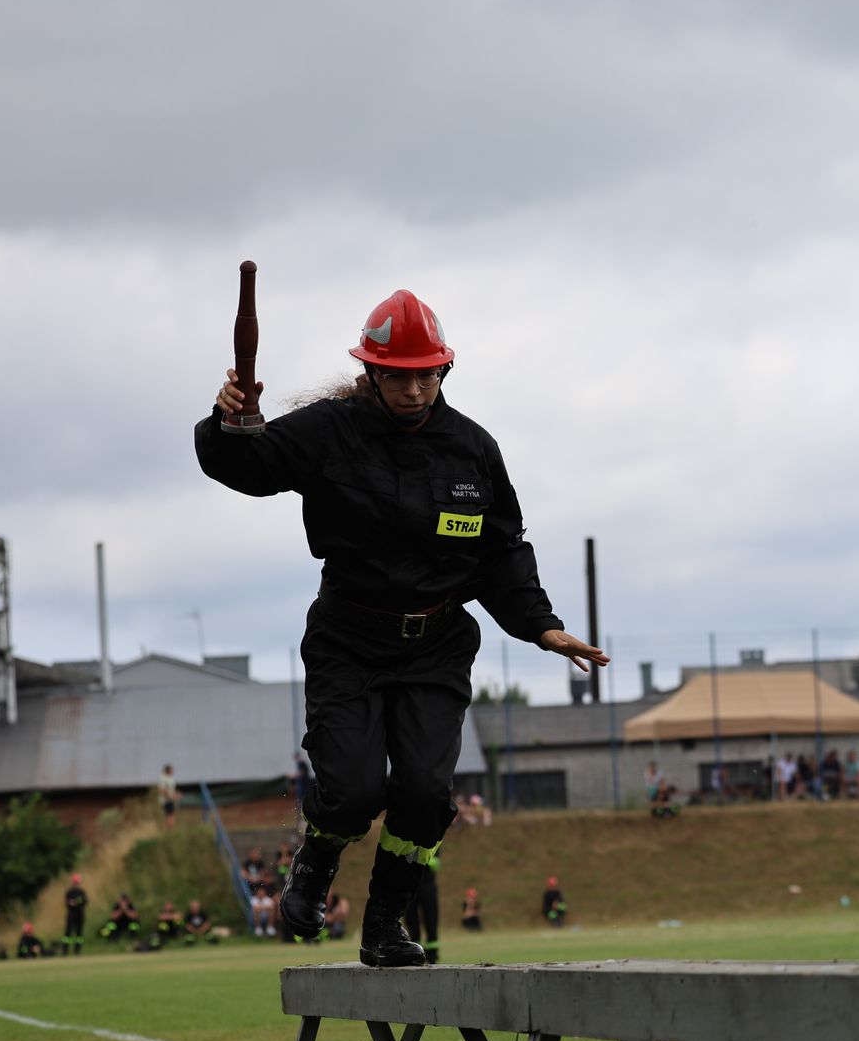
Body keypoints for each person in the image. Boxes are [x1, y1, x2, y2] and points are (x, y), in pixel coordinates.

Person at [201, 288, 605, 969]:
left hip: (436, 647)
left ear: (444, 369)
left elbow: (502, 551)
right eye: (398, 376)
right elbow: (245, 465)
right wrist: (228, 422)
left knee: (423, 794)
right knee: (353, 792)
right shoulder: (328, 432)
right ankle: (316, 863)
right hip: (349, 642)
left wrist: (542, 625)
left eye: (427, 375)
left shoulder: (473, 451)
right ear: (371, 371)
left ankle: (385, 924)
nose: (414, 390)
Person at [405, 861, 441, 964]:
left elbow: (436, 863)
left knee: (431, 920)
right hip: (410, 884)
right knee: (411, 920)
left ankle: (432, 955)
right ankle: (414, 952)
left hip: (427, 884)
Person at [62, 873, 89, 956]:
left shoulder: (82, 892)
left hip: (80, 914)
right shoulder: (69, 892)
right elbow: (67, 902)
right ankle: (65, 951)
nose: (76, 884)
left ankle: (77, 951)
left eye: (77, 882)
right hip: (71, 914)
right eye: (75, 882)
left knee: (79, 934)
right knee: (68, 933)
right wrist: (74, 902)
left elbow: (85, 901)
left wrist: (75, 902)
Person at [158, 763, 181, 828]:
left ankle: (170, 829)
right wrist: (170, 797)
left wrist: (176, 795)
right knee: (170, 815)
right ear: (167, 770)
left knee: (172, 815)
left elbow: (171, 790)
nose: (172, 771)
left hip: (171, 799)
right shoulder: (163, 778)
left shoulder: (170, 778)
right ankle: (168, 829)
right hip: (166, 800)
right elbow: (161, 790)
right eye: (171, 770)